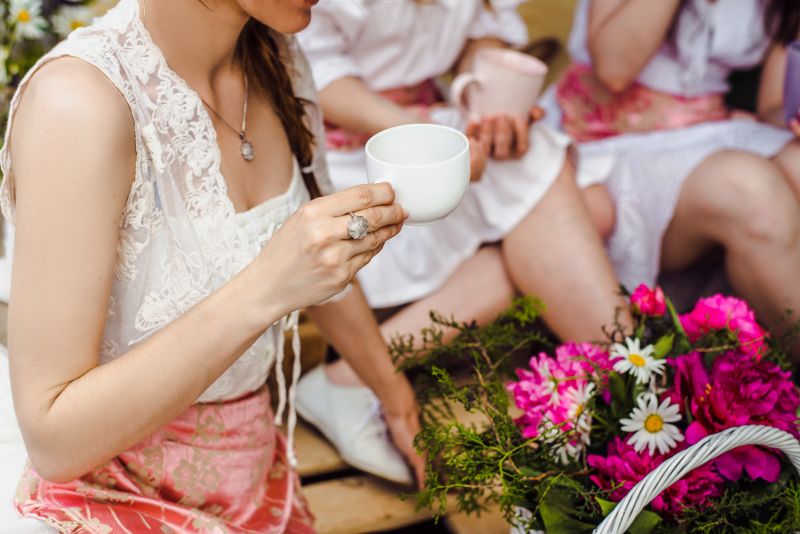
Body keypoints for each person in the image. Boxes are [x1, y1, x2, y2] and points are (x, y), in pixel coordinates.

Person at [0, 0, 426, 530]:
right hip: (108, 499)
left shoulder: (278, 56)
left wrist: (396, 399)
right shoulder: (78, 105)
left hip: (256, 485)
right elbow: (54, 440)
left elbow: (318, 255)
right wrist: (267, 286)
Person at [294, 0, 628, 484]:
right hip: (353, 150)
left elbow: (481, 34)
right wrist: (431, 139)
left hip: (436, 124)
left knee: (579, 199)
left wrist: (489, 103)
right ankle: (634, 385)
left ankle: (353, 374)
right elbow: (315, 71)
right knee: (567, 209)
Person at [539, 0, 800, 351]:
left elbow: (774, 104)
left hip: (706, 133)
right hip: (602, 146)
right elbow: (615, 67)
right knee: (750, 191)